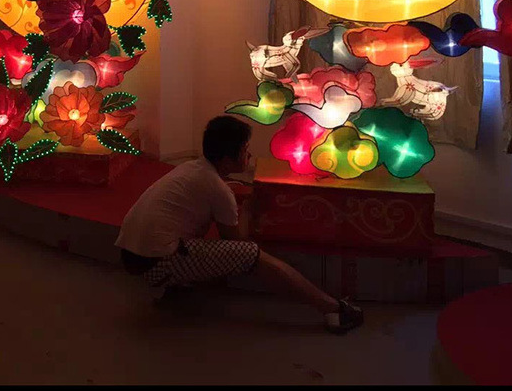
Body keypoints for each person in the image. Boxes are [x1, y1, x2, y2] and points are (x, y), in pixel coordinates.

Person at [115, 114, 364, 335]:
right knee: (252, 254)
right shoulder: (217, 188)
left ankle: (172, 286)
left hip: (131, 254)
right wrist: (247, 206)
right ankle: (332, 308)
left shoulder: (192, 169)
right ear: (226, 160)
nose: (249, 155)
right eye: (245, 151)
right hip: (155, 261)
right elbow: (238, 243)